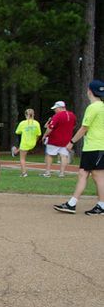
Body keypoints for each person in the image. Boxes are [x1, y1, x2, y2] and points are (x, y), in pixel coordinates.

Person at [53, 80, 104, 215]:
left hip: (95, 146)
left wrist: (72, 141)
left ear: (89, 91)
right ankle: (72, 203)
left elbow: (84, 128)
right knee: (84, 174)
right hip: (94, 147)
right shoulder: (101, 106)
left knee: (97, 176)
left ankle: (101, 205)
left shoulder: (93, 107)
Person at [42, 101, 77, 178]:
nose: (55, 110)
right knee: (64, 156)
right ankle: (62, 173)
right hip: (67, 139)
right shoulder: (72, 115)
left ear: (59, 108)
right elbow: (74, 126)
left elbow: (50, 128)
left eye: (55, 108)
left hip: (54, 139)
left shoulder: (57, 116)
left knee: (49, 155)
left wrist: (44, 135)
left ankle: (47, 172)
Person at [14, 109, 41, 177]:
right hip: (33, 143)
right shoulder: (36, 123)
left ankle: (24, 173)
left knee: (22, 159)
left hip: (25, 143)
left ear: (26, 115)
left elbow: (17, 132)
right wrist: (35, 140)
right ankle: (16, 151)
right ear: (33, 114)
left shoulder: (23, 123)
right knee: (23, 149)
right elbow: (38, 134)